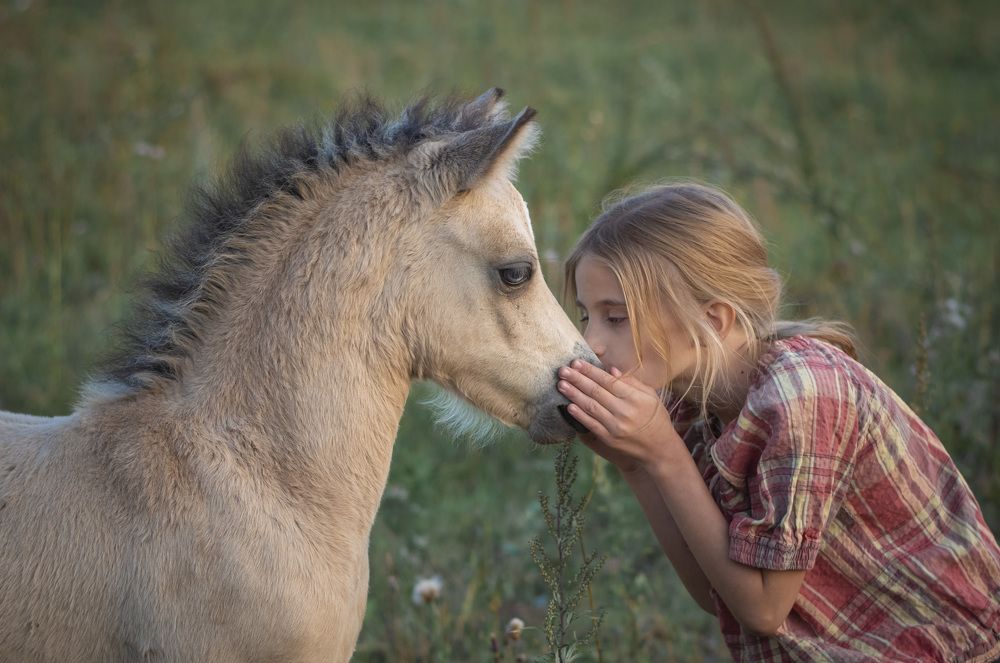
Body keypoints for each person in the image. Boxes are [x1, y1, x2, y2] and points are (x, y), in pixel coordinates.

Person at [556, 181, 1000, 661]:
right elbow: (716, 594)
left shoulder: (801, 397)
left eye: (615, 318)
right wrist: (636, 463)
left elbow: (765, 609)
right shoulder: (687, 402)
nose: (591, 343)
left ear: (714, 320)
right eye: (586, 317)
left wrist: (663, 453)